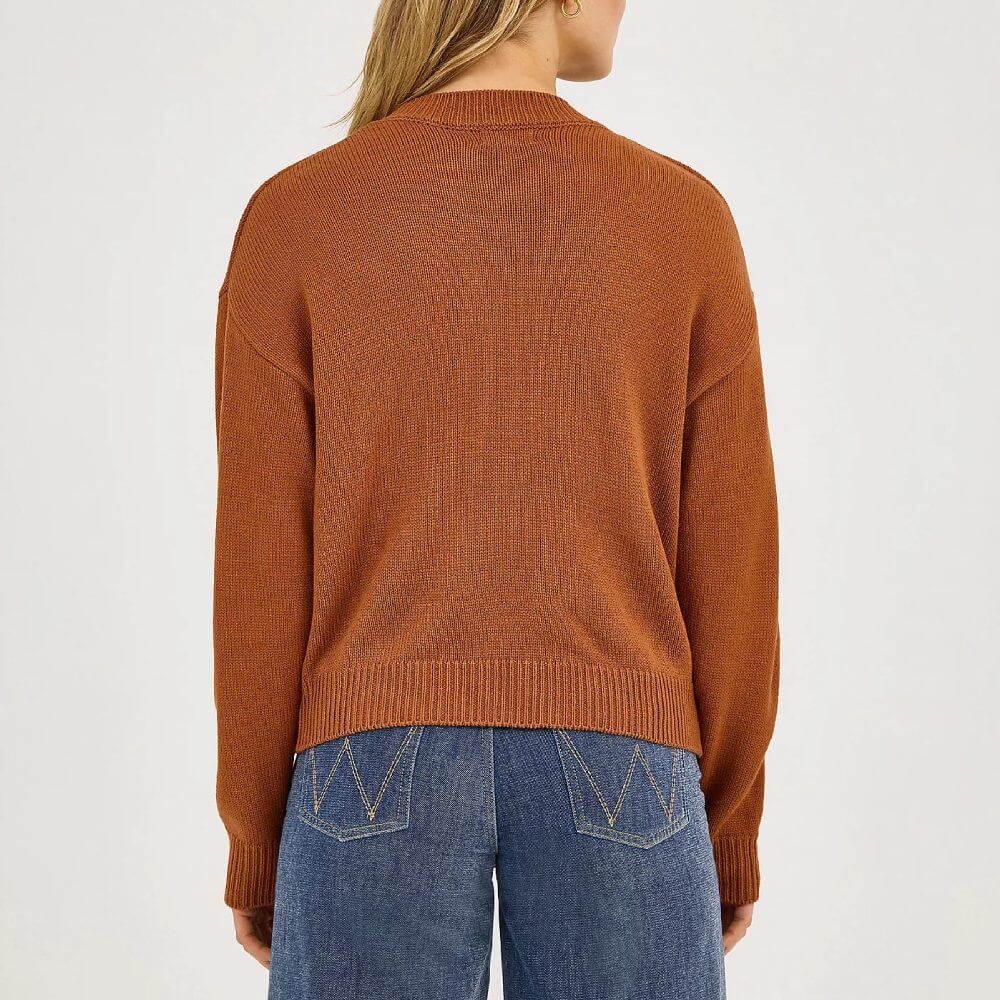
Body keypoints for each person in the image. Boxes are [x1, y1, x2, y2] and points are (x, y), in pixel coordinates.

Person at [214, 1, 779, 996]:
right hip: (629, 762)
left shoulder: (297, 215)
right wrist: (724, 829)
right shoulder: (681, 218)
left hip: (365, 761)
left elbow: (260, 570)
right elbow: (734, 564)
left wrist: (262, 841)